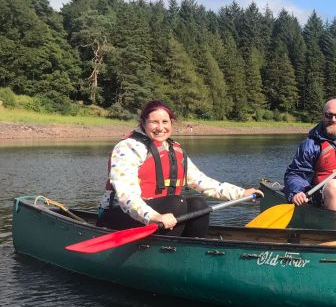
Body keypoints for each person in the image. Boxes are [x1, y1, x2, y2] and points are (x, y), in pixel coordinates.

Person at [97, 100, 263, 237]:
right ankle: (168, 252)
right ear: (143, 123)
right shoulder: (127, 148)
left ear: (171, 123)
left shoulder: (173, 149)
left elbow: (201, 181)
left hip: (164, 218)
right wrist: (153, 217)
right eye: (154, 122)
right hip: (120, 216)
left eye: (165, 122)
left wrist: (241, 193)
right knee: (177, 203)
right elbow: (127, 195)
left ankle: (193, 248)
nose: (160, 128)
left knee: (199, 205)